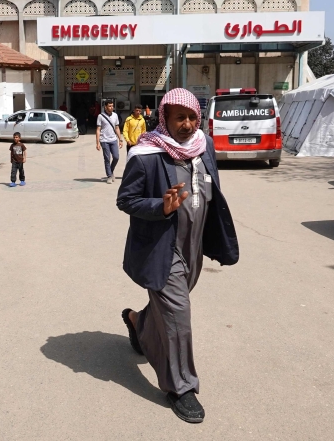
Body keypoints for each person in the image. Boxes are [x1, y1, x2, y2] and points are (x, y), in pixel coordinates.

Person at [116, 88, 239, 424]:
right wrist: (161, 206)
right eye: (179, 118)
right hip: (161, 248)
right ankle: (181, 387)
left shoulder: (204, 145)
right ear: (165, 120)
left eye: (191, 118)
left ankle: (138, 322)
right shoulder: (146, 155)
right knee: (178, 315)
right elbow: (126, 200)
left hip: (194, 244)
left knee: (171, 307)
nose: (186, 125)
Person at [96, 98, 124, 184]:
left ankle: (111, 171)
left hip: (113, 139)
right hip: (104, 140)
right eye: (110, 106)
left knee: (116, 157)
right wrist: (97, 142)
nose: (112, 107)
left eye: (112, 106)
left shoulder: (115, 115)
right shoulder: (100, 116)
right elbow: (98, 130)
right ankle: (109, 176)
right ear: (105, 107)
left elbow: (117, 128)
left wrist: (120, 139)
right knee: (107, 158)